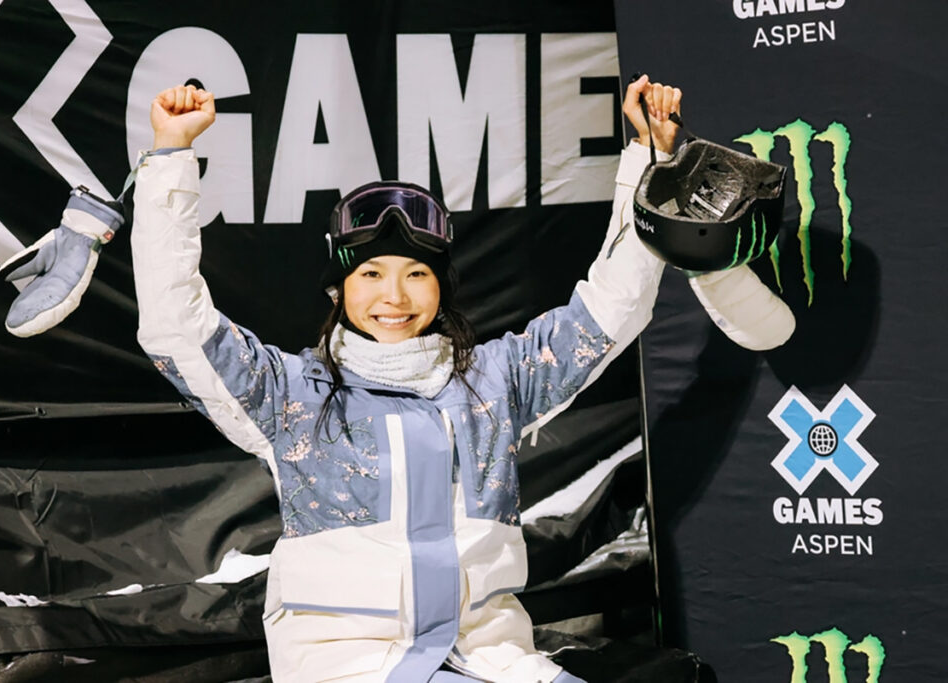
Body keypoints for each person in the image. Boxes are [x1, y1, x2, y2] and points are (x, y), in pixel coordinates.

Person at [131, 74, 682, 683]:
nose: (393, 297)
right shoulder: (290, 395)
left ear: (441, 286)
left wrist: (649, 160)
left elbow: (612, 309)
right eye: (370, 274)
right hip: (348, 665)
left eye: (416, 274)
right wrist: (171, 155)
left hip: (490, 658)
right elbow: (175, 326)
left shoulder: (497, 383)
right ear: (339, 290)